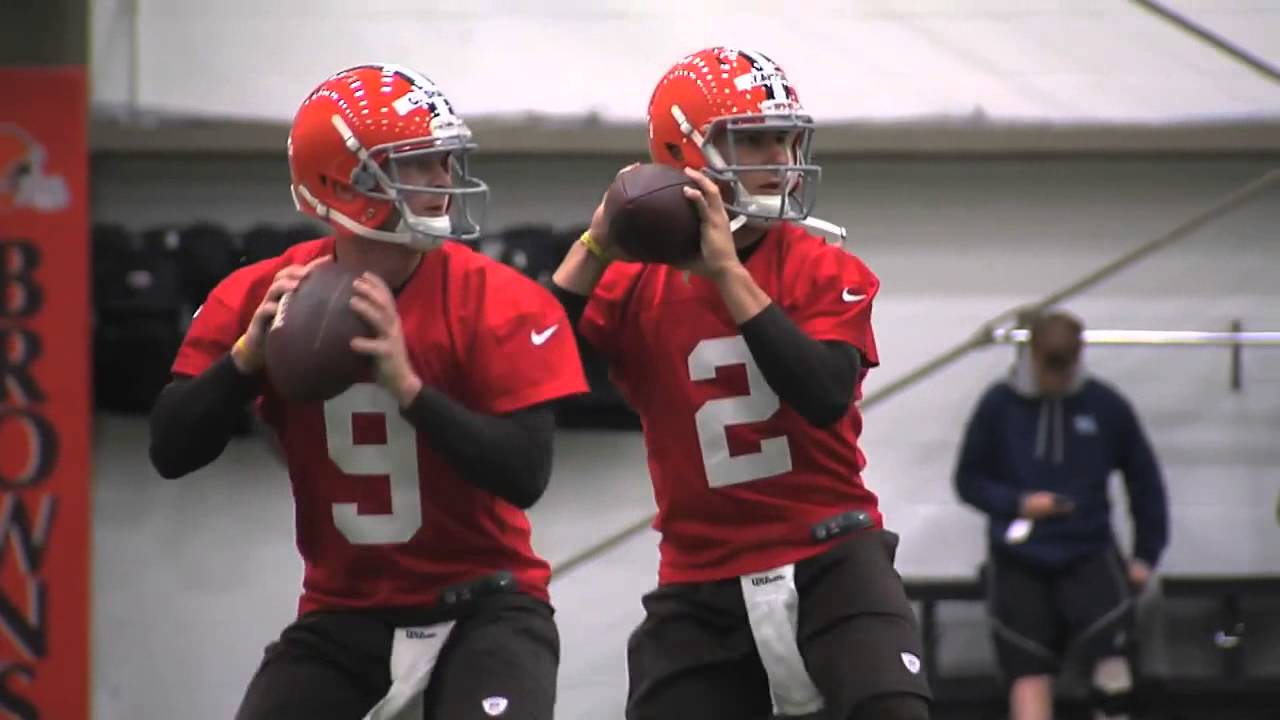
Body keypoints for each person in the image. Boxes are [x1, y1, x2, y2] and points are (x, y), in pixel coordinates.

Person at [148, 64, 588, 720]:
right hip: (343, 616)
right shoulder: (258, 297)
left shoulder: (499, 297)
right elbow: (171, 449)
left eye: (445, 160)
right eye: (419, 164)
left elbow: (524, 473)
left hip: (485, 606)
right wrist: (246, 360)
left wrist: (408, 388)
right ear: (344, 183)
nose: (444, 180)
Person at [549, 47, 932, 720]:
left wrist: (727, 273)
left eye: (786, 138)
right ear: (686, 152)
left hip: (833, 555)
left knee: (893, 710)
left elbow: (822, 393)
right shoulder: (633, 282)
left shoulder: (822, 266)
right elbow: (524, 366)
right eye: (756, 139)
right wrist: (594, 244)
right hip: (701, 576)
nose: (782, 159)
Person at [954, 310, 1169, 720]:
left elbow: (1145, 482)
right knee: (1028, 670)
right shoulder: (998, 406)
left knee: (1112, 657)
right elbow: (967, 480)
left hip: (1088, 550)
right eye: (1048, 368)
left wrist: (1145, 555)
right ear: (1031, 356)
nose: (1057, 379)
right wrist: (1018, 503)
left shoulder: (1106, 406)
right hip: (1020, 556)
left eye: (1065, 368)